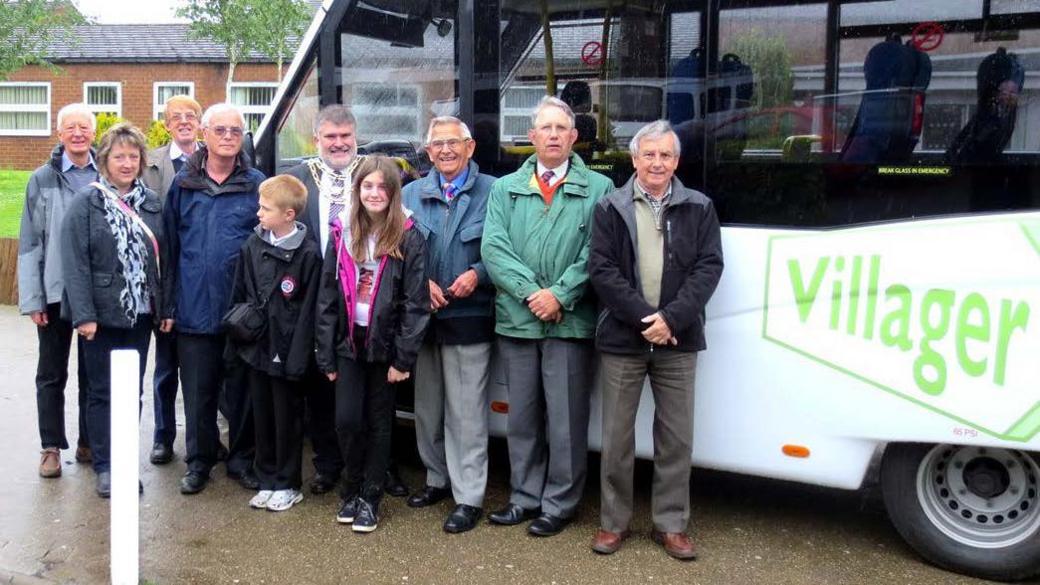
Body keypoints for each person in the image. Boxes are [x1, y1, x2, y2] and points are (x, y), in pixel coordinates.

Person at [588, 120, 723, 560]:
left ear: (676, 161)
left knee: (676, 439)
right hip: (624, 338)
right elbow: (602, 270)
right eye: (649, 154)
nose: (657, 162)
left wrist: (671, 319)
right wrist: (647, 317)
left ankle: (671, 524)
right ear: (634, 159)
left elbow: (709, 268)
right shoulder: (610, 207)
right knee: (617, 438)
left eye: (666, 155)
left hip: (678, 341)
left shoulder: (699, 207)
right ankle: (613, 523)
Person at [481, 96, 614, 536]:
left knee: (566, 420)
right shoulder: (504, 188)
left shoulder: (599, 188)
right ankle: (524, 496)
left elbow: (599, 252)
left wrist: (559, 295)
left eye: (562, 128)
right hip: (518, 319)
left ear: (575, 137)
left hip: (569, 321)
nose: (554, 135)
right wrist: (531, 293)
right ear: (532, 137)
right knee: (521, 418)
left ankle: (559, 503)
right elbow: (493, 249)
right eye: (546, 128)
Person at [316, 155, 429, 533]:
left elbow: (416, 303)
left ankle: (370, 496)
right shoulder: (342, 231)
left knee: (381, 422)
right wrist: (325, 351)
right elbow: (327, 296)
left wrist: (404, 357)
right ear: (357, 189)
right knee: (347, 419)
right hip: (349, 342)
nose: (375, 193)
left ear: (394, 192)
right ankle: (350, 484)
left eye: (383, 187)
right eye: (367, 186)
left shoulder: (409, 235)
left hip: (386, 346)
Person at [59, 123, 166, 498]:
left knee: (132, 392)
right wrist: (84, 315)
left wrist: (163, 307)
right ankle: (105, 466)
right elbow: (74, 263)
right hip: (101, 316)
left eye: (133, 156)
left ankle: (124, 463)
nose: (126, 163)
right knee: (103, 392)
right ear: (104, 160)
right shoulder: (86, 202)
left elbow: (161, 260)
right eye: (119, 156)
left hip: (140, 313)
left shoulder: (152, 202)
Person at [164, 103, 265, 495]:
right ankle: (199, 461)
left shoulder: (256, 183)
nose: (227, 137)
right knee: (198, 393)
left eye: (235, 131)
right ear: (204, 133)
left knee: (241, 392)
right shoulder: (183, 184)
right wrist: (167, 305)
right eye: (220, 130)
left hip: (241, 312)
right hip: (193, 308)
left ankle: (241, 461)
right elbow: (169, 248)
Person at [402, 116, 496, 533]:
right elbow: (394, 250)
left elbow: (505, 247)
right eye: (436, 144)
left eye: (452, 143)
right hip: (424, 320)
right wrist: (421, 283)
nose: (444, 151)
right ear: (427, 150)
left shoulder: (495, 192)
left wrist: (478, 272)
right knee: (428, 409)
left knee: (467, 415)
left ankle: (468, 496)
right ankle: (436, 479)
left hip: (470, 317)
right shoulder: (409, 194)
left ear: (470, 147)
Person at [227, 174, 321, 512]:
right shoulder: (252, 245)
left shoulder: (308, 255)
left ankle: (288, 482)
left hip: (289, 351)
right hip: (257, 348)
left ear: (288, 215)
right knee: (262, 415)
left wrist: (299, 355)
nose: (258, 214)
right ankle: (266, 477)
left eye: (265, 209)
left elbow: (310, 311)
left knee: (287, 419)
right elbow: (241, 293)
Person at [18, 103, 98, 478]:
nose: (78, 133)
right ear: (60, 133)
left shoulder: (106, 174)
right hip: (53, 292)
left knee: (92, 372)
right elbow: (31, 241)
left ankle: (88, 442)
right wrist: (33, 298)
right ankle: (50, 447)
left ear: (93, 133)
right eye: (71, 127)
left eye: (84, 126)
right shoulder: (42, 178)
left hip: (94, 293)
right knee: (51, 373)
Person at [282, 105, 357, 496]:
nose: (339, 143)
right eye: (331, 137)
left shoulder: (375, 176)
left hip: (363, 299)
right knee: (321, 385)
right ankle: (327, 464)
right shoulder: (296, 180)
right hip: (313, 300)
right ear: (317, 140)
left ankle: (376, 465)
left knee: (367, 387)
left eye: (345, 136)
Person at [142, 94, 203, 466]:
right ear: (166, 125)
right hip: (163, 278)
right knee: (166, 369)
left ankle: (205, 439)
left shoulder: (212, 160)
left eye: (190, 116)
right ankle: (163, 438)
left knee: (203, 372)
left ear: (199, 123)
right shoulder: (149, 164)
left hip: (199, 278)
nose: (183, 121)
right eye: (175, 117)